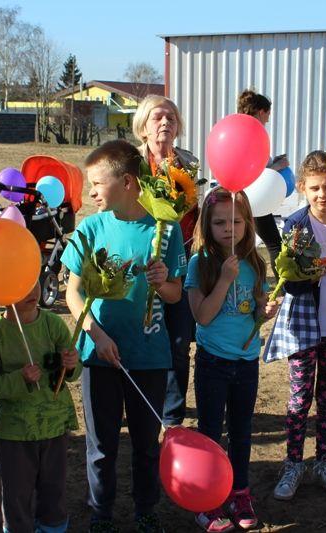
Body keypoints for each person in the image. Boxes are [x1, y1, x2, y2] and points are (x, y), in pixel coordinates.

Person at [61, 140, 186, 533]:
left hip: (149, 355)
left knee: (147, 445)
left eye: (97, 183)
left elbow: (176, 294)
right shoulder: (91, 227)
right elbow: (72, 292)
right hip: (99, 356)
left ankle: (146, 510)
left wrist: (163, 281)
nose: (91, 192)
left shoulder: (164, 230)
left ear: (128, 182)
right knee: (101, 447)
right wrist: (95, 333)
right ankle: (102, 512)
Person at [265, 151, 326, 501]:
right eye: (315, 188)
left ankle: (324, 461)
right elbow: (288, 279)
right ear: (303, 189)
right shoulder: (295, 225)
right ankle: (293, 463)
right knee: (298, 399)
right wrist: (307, 276)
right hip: (304, 326)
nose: (323, 194)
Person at [185, 187, 277, 532]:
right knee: (210, 433)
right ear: (207, 226)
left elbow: (255, 310)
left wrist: (264, 311)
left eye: (236, 221)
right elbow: (202, 317)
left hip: (246, 363)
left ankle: (240, 493)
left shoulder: (255, 262)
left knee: (241, 431)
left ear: (248, 223)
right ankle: (208, 500)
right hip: (213, 363)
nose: (228, 228)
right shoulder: (201, 264)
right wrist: (224, 279)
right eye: (220, 222)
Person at [0, 281, 80, 533]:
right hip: (14, 432)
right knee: (16, 495)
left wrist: (71, 363)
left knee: (53, 491)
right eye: (21, 285)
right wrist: (18, 379)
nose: (33, 292)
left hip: (54, 426)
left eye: (35, 283)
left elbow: (72, 374)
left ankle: (53, 527)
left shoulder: (53, 325)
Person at [133, 95, 198, 426]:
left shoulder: (188, 164)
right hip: (138, 261)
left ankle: (172, 417)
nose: (166, 122)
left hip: (181, 263)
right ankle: (134, 404)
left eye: (171, 117)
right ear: (143, 127)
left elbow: (197, 213)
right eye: (158, 117)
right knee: (134, 335)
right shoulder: (130, 165)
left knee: (178, 341)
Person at [237, 89, 289, 279]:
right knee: (274, 244)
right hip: (255, 198)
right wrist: (278, 166)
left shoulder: (241, 131)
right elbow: (255, 173)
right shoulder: (254, 134)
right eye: (268, 114)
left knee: (245, 243)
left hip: (244, 196)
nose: (268, 119)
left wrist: (273, 161)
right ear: (261, 112)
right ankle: (281, 286)